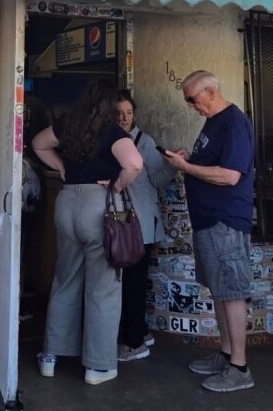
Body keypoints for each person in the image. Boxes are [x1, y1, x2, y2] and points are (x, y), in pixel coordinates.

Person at [31, 78, 143, 386]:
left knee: (65, 279)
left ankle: (51, 357)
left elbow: (38, 144)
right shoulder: (113, 133)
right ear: (110, 106)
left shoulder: (68, 125)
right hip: (99, 206)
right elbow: (134, 163)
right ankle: (98, 366)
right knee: (103, 288)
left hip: (66, 203)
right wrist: (118, 184)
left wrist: (63, 168)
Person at [162, 70, 256, 393]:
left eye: (192, 99)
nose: (190, 106)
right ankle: (227, 354)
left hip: (224, 220)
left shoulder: (233, 123)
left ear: (210, 93)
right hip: (208, 220)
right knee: (219, 289)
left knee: (231, 291)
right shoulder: (214, 122)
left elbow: (230, 175)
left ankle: (240, 367)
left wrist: (187, 168)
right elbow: (212, 163)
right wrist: (190, 158)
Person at [115, 89, 176, 361]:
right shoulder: (111, 140)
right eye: (119, 113)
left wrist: (175, 165)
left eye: (128, 113)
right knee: (127, 282)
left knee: (133, 283)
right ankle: (139, 330)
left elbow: (157, 180)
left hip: (139, 226)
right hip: (122, 223)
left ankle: (134, 341)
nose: (124, 118)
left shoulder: (145, 141)